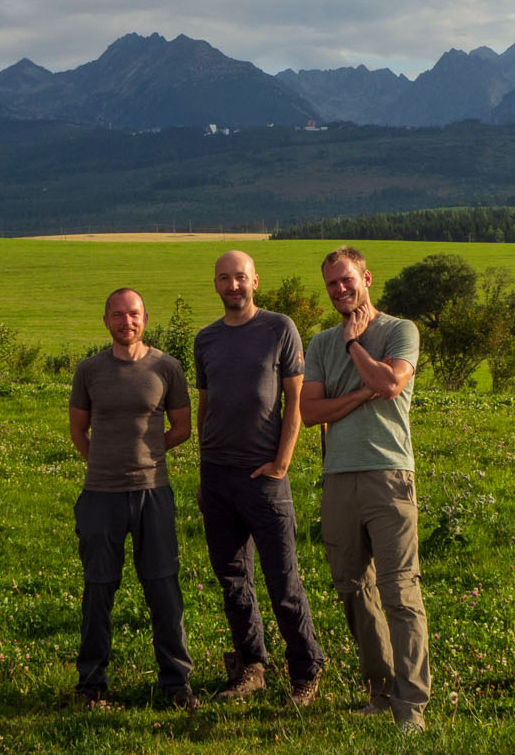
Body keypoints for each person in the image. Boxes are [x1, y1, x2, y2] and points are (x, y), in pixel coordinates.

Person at [300, 246, 430, 732]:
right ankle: (380, 690)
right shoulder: (318, 343)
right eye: (332, 284)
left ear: (367, 278)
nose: (339, 290)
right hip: (338, 476)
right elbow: (310, 413)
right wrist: (359, 393)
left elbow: (390, 384)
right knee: (353, 587)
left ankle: (411, 705)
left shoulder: (400, 331)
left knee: (400, 590)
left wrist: (357, 346)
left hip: (389, 473)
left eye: (346, 280)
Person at [193, 250, 326, 706]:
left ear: (255, 281)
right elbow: (205, 408)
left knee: (282, 578)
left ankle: (306, 671)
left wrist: (282, 463)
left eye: (241, 278)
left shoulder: (279, 328)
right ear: (216, 284)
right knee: (232, 578)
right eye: (225, 279)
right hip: (217, 476)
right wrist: (203, 470)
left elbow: (294, 402)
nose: (234, 286)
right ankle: (252, 666)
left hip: (264, 476)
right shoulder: (205, 339)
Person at [68, 287, 197, 711]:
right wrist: (107, 462)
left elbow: (182, 427)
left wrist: (145, 456)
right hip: (100, 495)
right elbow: (78, 432)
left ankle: (176, 683)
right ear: (106, 321)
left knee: (164, 587)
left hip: (152, 493)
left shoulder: (167, 367)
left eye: (135, 314)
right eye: (119, 315)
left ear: (146, 318)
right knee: (98, 589)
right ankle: (91, 684)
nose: (128, 322)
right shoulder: (89, 370)